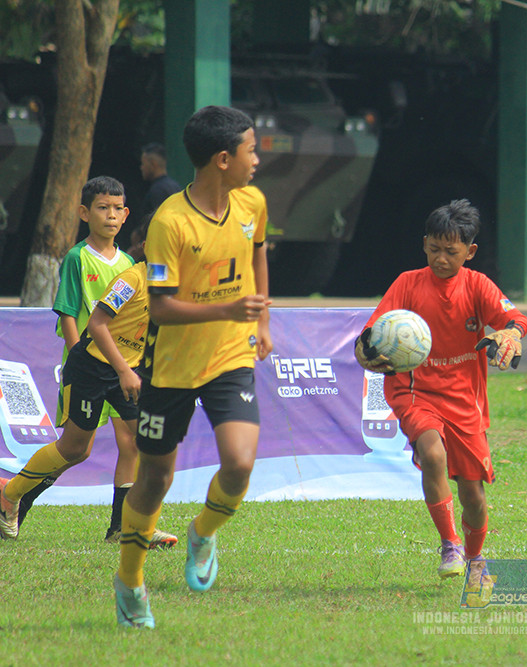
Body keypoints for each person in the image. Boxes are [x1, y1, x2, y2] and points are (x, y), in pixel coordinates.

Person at [112, 105, 271, 629]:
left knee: (240, 463)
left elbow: (258, 253)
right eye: (251, 149)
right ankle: (130, 581)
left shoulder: (252, 203)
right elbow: (160, 308)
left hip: (230, 356)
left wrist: (261, 318)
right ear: (223, 159)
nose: (257, 158)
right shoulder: (170, 222)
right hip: (172, 368)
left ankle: (203, 532)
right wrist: (229, 307)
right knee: (155, 477)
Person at [354, 198, 527, 586]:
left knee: (474, 496)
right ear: (424, 245)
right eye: (434, 249)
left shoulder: (478, 286)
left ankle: (476, 558)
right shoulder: (407, 284)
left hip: (466, 402)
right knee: (432, 453)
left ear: (471, 252)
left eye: (451, 252)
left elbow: (515, 318)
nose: (441, 259)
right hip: (415, 392)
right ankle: (449, 545)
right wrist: (368, 353)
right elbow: (370, 335)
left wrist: (509, 334)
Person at [7, 177, 173, 548]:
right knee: (75, 450)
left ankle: (123, 527)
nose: (111, 215)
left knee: (134, 442)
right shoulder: (78, 258)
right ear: (85, 213)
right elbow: (72, 314)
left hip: (120, 368)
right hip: (89, 364)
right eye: (102, 207)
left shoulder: (133, 263)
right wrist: (75, 358)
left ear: (126, 215)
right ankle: (14, 496)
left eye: (117, 209)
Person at [139, 142, 182, 219]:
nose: (141, 168)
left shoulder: (158, 191)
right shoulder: (175, 186)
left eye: (143, 164)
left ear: (153, 164)